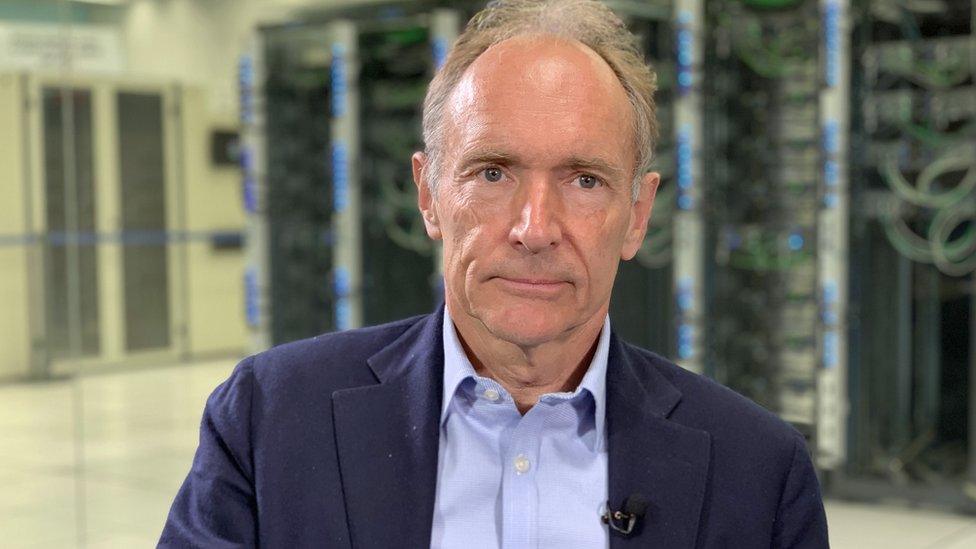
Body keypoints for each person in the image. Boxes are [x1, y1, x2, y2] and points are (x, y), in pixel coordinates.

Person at [159, 0, 829, 547]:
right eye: (492, 172)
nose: (535, 228)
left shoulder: (760, 473)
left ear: (637, 214)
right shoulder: (268, 421)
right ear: (429, 195)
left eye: (586, 179)